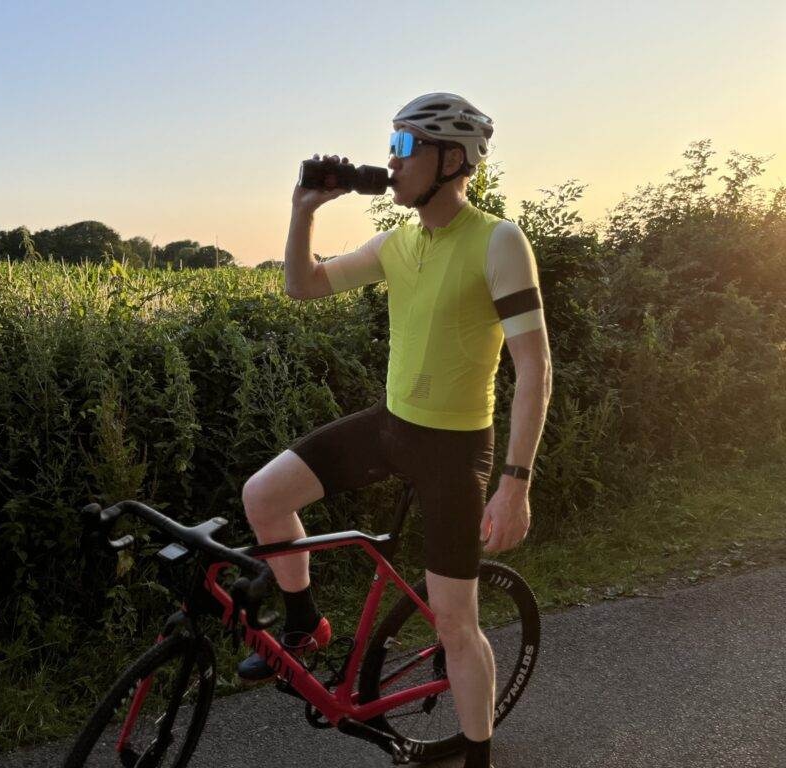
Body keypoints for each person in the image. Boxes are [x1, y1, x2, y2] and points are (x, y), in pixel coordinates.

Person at [237, 93, 551, 768]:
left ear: (451, 159)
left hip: (454, 450)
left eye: (404, 147)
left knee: (456, 626)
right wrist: (303, 211)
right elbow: (303, 285)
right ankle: (304, 624)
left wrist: (515, 484)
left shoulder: (497, 241)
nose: (391, 160)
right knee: (263, 497)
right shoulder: (397, 243)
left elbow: (535, 367)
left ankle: (477, 756)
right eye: (392, 144)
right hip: (390, 427)